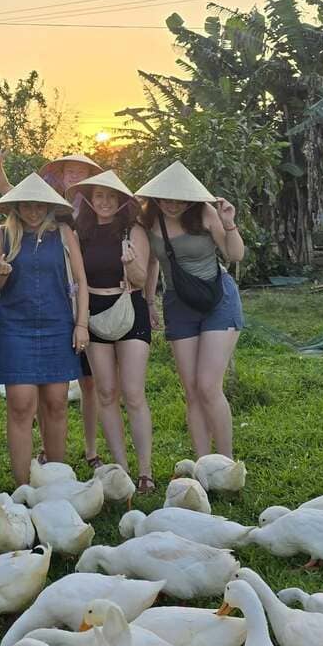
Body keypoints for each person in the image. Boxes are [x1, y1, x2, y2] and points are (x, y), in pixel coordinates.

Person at [0, 149, 105, 469]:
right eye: (27, 204)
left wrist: (82, 325)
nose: (34, 210)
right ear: (17, 206)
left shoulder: (64, 233)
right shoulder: (4, 234)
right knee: (21, 405)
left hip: (58, 326)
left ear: (50, 206)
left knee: (56, 403)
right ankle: (23, 487)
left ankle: (55, 476)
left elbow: (79, 279)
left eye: (40, 204)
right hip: (14, 328)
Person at [136, 161, 245, 458]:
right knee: (193, 392)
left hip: (217, 298)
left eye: (178, 199)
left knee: (209, 386)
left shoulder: (205, 213)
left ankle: (225, 463)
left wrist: (228, 222)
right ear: (155, 197)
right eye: (165, 199)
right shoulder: (149, 220)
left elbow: (234, 254)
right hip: (178, 302)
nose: (172, 205)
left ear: (190, 196)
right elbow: (151, 263)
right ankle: (203, 465)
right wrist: (148, 302)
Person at [68, 170, 155, 494]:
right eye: (98, 196)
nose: (104, 202)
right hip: (95, 314)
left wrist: (130, 262)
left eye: (110, 197)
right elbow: (76, 278)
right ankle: (121, 468)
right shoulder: (81, 231)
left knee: (133, 393)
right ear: (90, 200)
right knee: (105, 393)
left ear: (121, 201)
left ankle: (145, 470)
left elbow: (142, 279)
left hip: (130, 311)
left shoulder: (134, 230)